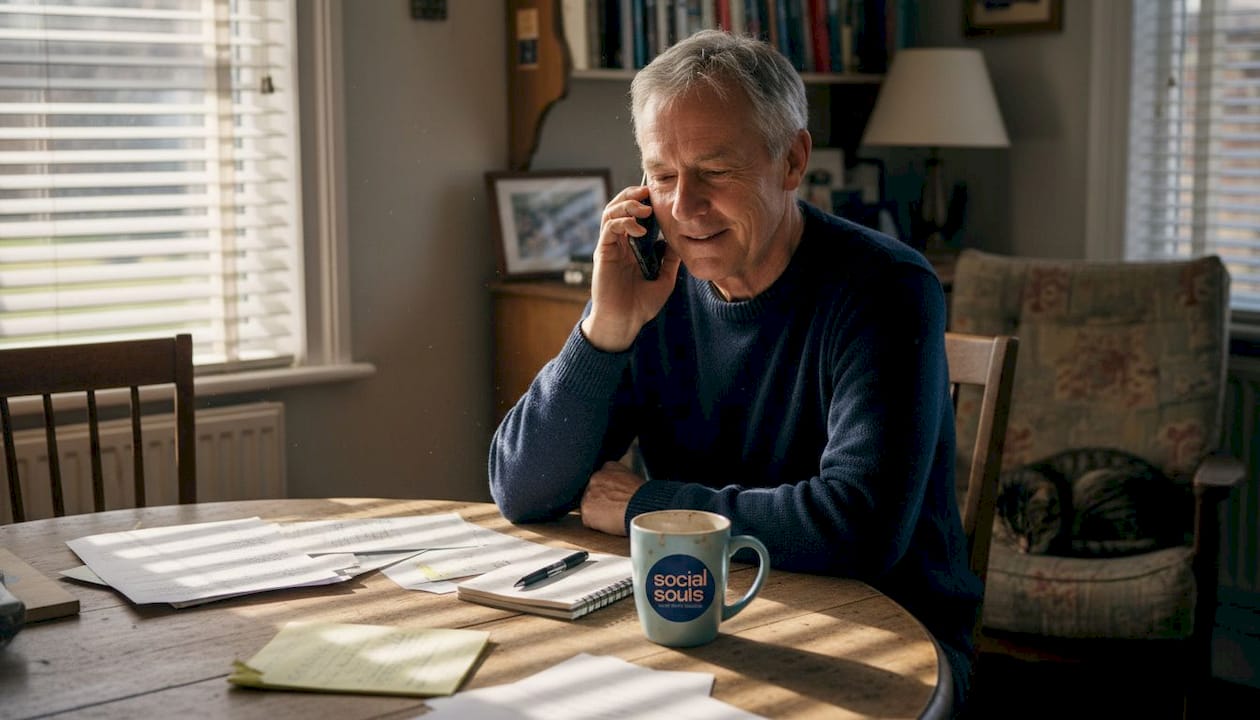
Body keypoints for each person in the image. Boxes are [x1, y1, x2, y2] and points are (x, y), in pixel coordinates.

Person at [488, 29, 979, 713]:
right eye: (662, 175)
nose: (684, 207)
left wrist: (646, 507)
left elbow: (857, 528)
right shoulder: (652, 285)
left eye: (715, 172)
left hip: (884, 639)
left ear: (791, 159)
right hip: (705, 617)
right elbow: (522, 488)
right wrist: (605, 330)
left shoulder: (886, 288)